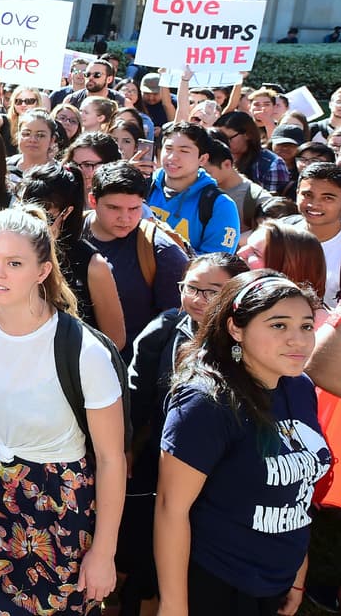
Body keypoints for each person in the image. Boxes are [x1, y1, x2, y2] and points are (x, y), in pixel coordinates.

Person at [0, 206, 125, 615]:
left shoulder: (84, 352)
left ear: (42, 271)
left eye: (14, 263)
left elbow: (110, 458)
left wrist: (104, 551)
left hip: (56, 498)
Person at [155, 271, 330, 614]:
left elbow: (299, 489)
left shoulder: (299, 386)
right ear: (236, 328)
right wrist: (173, 604)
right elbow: (170, 509)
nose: (298, 340)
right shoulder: (207, 402)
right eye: (279, 325)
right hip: (218, 585)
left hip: (277, 581)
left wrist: (298, 571)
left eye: (306, 326)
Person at [121, 253, 249, 615]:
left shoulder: (251, 341)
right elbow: (136, 395)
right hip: (162, 467)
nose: (199, 299)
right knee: (150, 552)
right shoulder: (165, 329)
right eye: (191, 288)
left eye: (213, 291)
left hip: (223, 474)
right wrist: (128, 446)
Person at [16, 163, 125, 349]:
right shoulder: (7, 250)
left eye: (46, 218)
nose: (34, 226)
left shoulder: (93, 265)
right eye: (26, 215)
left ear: (67, 212)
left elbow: (115, 340)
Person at [85, 161, 189, 354]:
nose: (125, 218)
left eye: (134, 209)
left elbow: (180, 325)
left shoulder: (160, 251)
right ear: (93, 201)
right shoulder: (68, 233)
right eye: (114, 208)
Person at [146, 122, 240, 254]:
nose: (173, 157)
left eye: (184, 151)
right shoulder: (142, 185)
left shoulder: (220, 205)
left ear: (202, 159)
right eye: (168, 148)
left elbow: (215, 266)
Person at [284, 161, 341, 308]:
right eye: (307, 195)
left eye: (328, 198)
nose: (314, 204)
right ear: (297, 193)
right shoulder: (279, 234)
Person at [238, 219, 327, 301]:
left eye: (256, 253)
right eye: (246, 245)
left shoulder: (317, 317)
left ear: (289, 269)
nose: (240, 253)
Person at [202, 134, 272, 236]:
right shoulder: (197, 189)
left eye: (206, 172)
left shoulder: (256, 198)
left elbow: (274, 232)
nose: (200, 177)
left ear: (227, 164)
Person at [216, 111, 291, 195]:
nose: (223, 142)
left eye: (228, 138)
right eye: (219, 138)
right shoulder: (214, 159)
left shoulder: (272, 164)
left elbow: (272, 205)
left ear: (247, 134)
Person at [5, 109, 57, 185]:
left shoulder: (60, 175)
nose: (32, 140)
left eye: (40, 135)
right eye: (26, 134)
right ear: (17, 135)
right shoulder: (3, 166)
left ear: (52, 140)